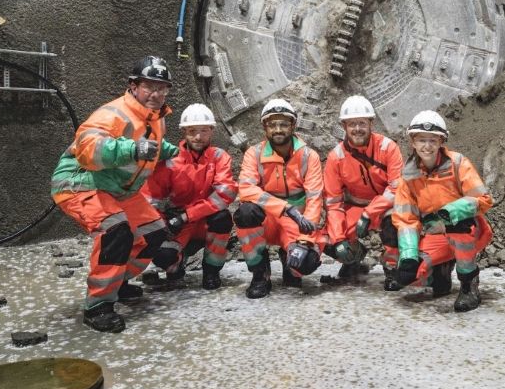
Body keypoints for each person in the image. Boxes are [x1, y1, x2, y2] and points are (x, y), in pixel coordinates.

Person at [50, 56, 178, 332]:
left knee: (154, 234)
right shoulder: (113, 114)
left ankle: (116, 282)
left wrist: (171, 151)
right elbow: (88, 149)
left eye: (162, 88)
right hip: (81, 182)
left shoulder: (156, 117)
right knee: (116, 232)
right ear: (133, 86)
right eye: (150, 87)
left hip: (119, 190)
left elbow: (153, 143)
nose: (157, 94)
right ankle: (98, 306)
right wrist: (130, 150)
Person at [392, 110, 493, 312]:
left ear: (441, 142)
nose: (427, 146)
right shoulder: (409, 175)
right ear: (413, 142)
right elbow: (406, 218)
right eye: (421, 140)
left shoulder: (457, 163)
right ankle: (441, 271)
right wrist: (409, 255)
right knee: (412, 276)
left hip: (468, 230)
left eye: (432, 140)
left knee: (459, 226)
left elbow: (484, 199)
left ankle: (468, 286)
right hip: (436, 235)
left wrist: (451, 212)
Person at [233, 98, 324, 298]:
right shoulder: (253, 154)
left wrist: (305, 240)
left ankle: (288, 259)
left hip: (296, 223)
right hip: (267, 220)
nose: (278, 129)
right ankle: (259, 273)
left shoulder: (309, 156)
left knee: (306, 262)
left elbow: (315, 199)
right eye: (272, 124)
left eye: (284, 124)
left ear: (293, 125)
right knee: (245, 213)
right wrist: (285, 208)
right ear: (264, 127)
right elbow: (246, 188)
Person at [142, 103, 238, 291]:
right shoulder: (170, 161)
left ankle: (211, 271)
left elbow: (225, 194)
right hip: (176, 223)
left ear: (211, 131)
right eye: (192, 130)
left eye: (203, 130)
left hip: (203, 222)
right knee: (162, 255)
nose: (198, 136)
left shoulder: (219, 157)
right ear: (184, 132)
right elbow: (150, 198)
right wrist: (161, 225)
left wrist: (187, 215)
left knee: (223, 218)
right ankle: (175, 266)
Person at [322, 95, 404, 288]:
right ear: (344, 127)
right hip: (355, 207)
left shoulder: (388, 148)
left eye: (362, 123)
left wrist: (369, 213)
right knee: (324, 239)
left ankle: (392, 269)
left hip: (385, 206)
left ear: (371, 123)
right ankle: (353, 260)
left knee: (394, 224)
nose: (357, 129)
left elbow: (396, 187)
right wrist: (339, 239)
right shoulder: (336, 157)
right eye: (352, 124)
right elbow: (333, 202)